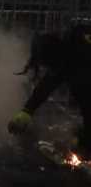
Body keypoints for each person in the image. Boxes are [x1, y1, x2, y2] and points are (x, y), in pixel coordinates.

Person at [8, 23, 91, 158]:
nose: (51, 71)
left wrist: (85, 141)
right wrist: (27, 111)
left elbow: (87, 102)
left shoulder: (81, 60)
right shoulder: (66, 50)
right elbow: (48, 83)